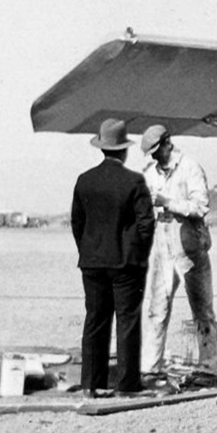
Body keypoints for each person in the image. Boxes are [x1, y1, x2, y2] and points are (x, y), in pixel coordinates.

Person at [71, 119, 155, 395]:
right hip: (126, 264)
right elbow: (146, 224)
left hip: (92, 262)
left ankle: (90, 385)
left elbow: (77, 223)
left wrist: (88, 251)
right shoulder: (134, 181)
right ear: (124, 150)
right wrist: (138, 255)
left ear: (102, 148)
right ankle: (125, 386)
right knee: (127, 322)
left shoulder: (85, 181)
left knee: (95, 320)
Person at [139, 124, 217, 377]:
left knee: (202, 309)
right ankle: (150, 367)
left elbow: (201, 206)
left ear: (167, 143)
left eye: (155, 150)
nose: (153, 156)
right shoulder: (150, 173)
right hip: (162, 247)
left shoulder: (190, 168)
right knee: (156, 309)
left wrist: (168, 203)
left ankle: (208, 366)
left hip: (190, 247)